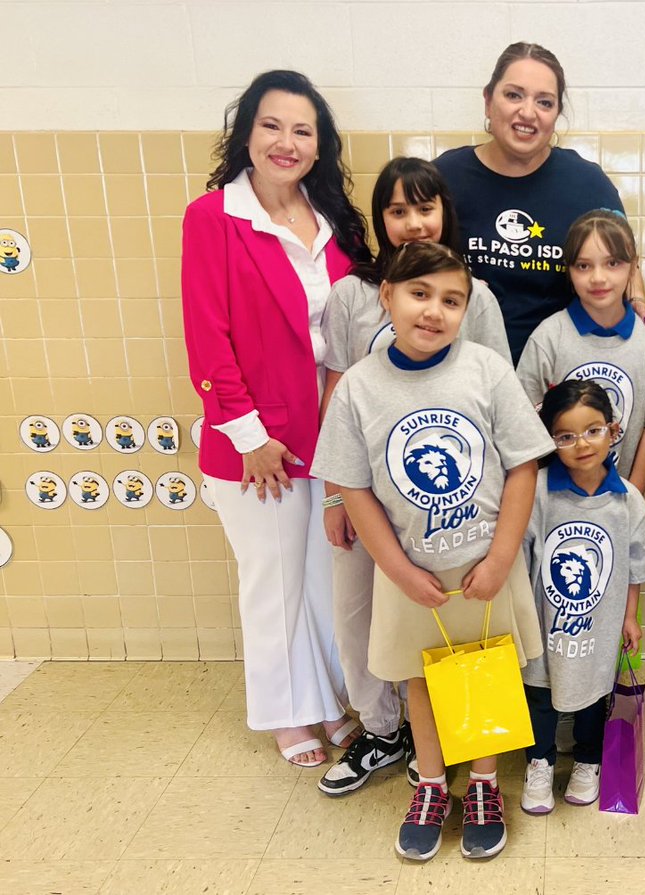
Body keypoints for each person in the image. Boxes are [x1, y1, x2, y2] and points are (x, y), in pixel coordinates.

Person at [311, 242, 552, 862]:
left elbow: (523, 466)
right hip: (409, 570)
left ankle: (483, 785)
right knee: (422, 678)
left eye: (452, 300)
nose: (434, 312)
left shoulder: (486, 370)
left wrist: (501, 558)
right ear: (386, 297)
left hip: (485, 566)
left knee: (487, 672)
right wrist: (396, 569)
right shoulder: (360, 387)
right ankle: (430, 782)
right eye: (419, 294)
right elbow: (352, 485)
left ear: (467, 310)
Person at [181, 69, 369, 768]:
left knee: (324, 575)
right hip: (257, 441)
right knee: (273, 579)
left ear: (319, 146)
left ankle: (325, 700)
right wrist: (251, 437)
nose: (286, 142)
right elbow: (207, 335)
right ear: (246, 133)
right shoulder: (214, 219)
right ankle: (286, 713)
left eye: (302, 130)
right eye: (271, 126)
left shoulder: (332, 223)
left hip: (328, 432)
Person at [316, 157, 511, 798]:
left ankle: (458, 744)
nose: (411, 222)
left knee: (450, 621)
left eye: (423, 208)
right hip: (367, 493)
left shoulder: (473, 296)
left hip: (454, 511)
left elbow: (494, 398)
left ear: (445, 215)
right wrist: (334, 493)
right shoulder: (352, 294)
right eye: (396, 211)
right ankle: (382, 728)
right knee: (361, 614)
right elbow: (339, 388)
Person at [435, 42, 645, 362]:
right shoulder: (444, 178)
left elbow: (624, 255)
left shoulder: (587, 183)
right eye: (513, 95)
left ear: (557, 114)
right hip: (462, 364)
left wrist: (639, 302)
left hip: (561, 371)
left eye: (544, 102)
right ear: (488, 100)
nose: (527, 112)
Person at [519, 380, 645, 815]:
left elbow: (636, 565)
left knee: (594, 691)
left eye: (593, 430)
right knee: (539, 691)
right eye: (566, 436)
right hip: (542, 619)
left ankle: (587, 760)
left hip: (602, 621)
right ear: (551, 441)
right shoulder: (539, 490)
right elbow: (520, 554)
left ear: (614, 430)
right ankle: (539, 762)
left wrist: (630, 617)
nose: (581, 444)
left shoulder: (628, 500)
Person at [516, 209, 645, 491]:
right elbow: (524, 428)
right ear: (569, 270)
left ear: (634, 267)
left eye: (612, 263)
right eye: (583, 266)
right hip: (553, 501)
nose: (598, 278)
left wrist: (634, 495)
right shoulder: (548, 338)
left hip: (620, 500)